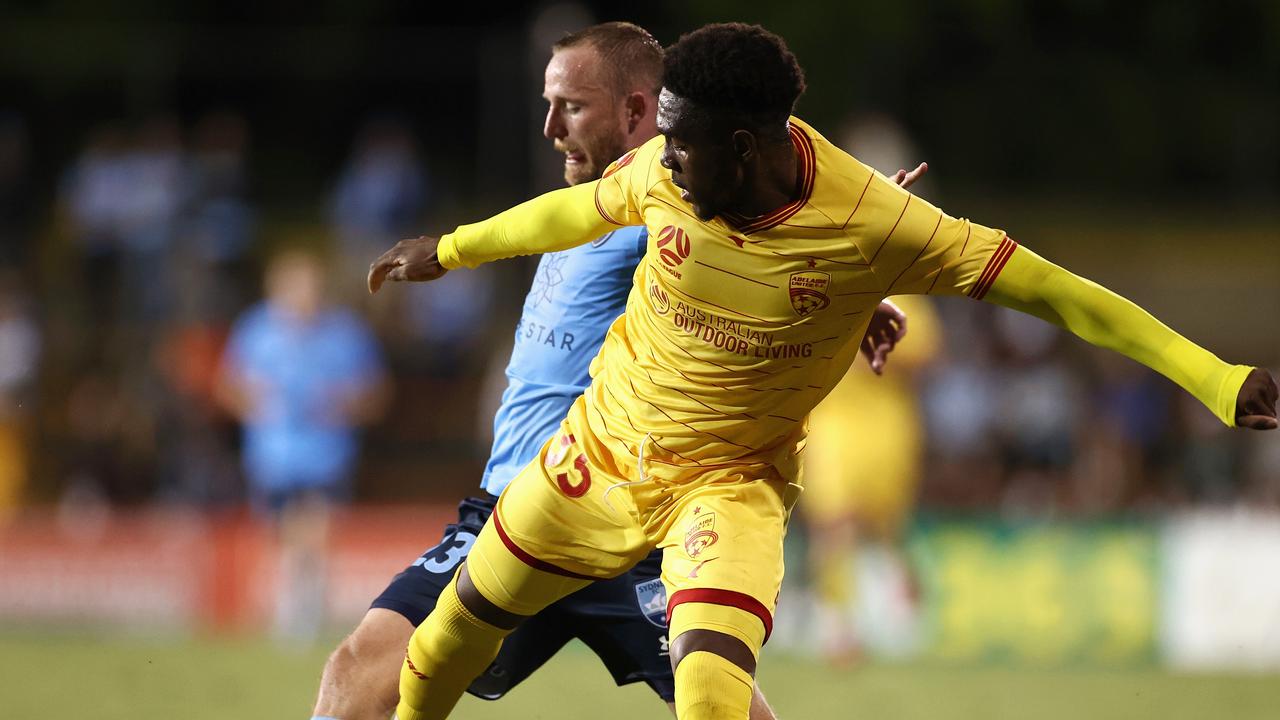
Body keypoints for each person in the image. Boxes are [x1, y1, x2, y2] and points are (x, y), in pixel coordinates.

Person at [369, 22, 1277, 720]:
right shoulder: (662, 171)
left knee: (714, 694)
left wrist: (1214, 377)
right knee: (447, 641)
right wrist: (445, 252)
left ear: (744, 148)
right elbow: (562, 216)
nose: (662, 162)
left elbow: (1066, 296)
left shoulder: (878, 226)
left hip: (725, 489)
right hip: (595, 458)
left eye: (682, 145)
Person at [314, 22, 918, 720]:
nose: (550, 126)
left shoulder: (676, 198)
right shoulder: (592, 203)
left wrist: (852, 256)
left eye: (571, 106)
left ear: (636, 111)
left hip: (635, 522)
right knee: (362, 669)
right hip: (523, 510)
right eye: (549, 104)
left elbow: (763, 233)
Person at [217, 249, 389, 644]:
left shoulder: (345, 334)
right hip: (271, 455)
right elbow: (228, 387)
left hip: (325, 455)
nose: (303, 296)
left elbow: (376, 394)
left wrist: (343, 404)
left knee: (314, 529)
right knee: (280, 535)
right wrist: (255, 403)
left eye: (310, 287)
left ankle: (304, 615)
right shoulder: (255, 329)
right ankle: (291, 605)